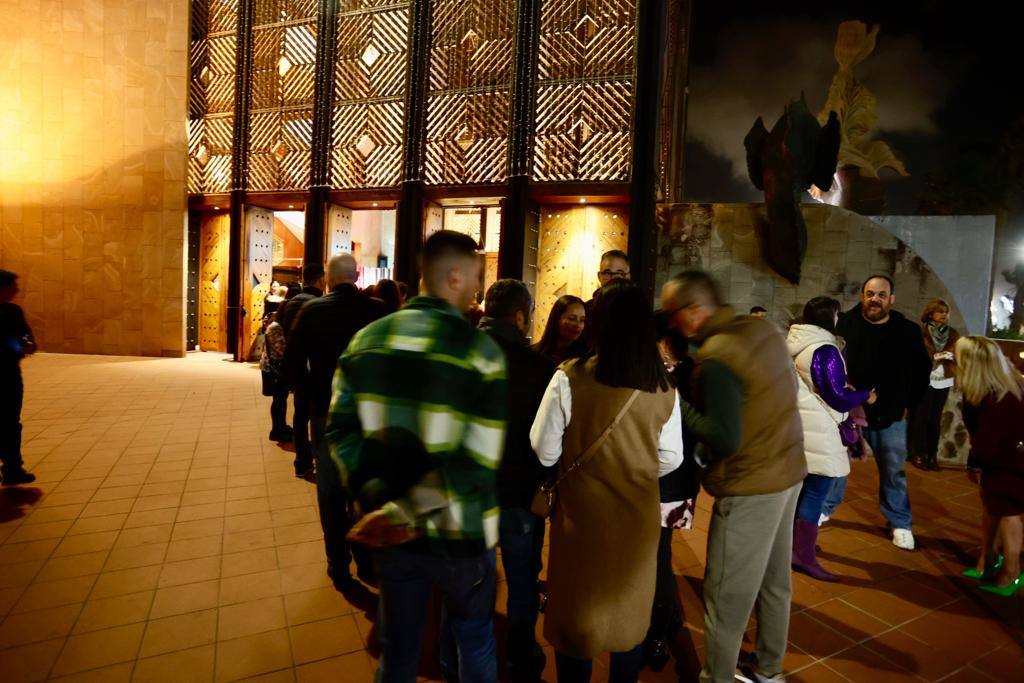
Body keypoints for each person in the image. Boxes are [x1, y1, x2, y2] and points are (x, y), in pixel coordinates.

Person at [327, 231, 507, 682]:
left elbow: (340, 429)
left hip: (394, 535)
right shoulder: (480, 354)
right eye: (476, 278)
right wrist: (410, 510)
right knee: (475, 640)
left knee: (399, 652)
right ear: (453, 276)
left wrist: (382, 503)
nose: (478, 289)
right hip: (462, 535)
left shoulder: (367, 341)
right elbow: (476, 461)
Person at [531, 280, 682, 683]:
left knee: (576, 618)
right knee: (629, 617)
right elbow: (671, 458)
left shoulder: (570, 377)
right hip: (636, 519)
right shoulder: (664, 385)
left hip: (581, 519)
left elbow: (544, 451)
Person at [660, 271, 805, 683]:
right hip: (788, 471)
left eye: (675, 314)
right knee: (775, 581)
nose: (673, 324)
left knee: (726, 595)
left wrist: (676, 404)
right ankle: (769, 668)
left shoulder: (718, 358)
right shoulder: (761, 330)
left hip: (752, 485)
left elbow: (723, 435)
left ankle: (717, 677)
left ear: (695, 309)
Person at [285, 254, 385, 589]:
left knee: (330, 492)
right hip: (368, 415)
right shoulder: (377, 310)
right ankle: (368, 562)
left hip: (327, 412)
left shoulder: (313, 312)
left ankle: (338, 564)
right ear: (356, 276)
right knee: (366, 489)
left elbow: (292, 366)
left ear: (327, 278)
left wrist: (311, 394)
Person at [478, 279, 555, 681]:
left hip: (470, 491)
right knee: (523, 577)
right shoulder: (539, 367)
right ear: (520, 315)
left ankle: (467, 653)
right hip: (520, 492)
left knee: (474, 575)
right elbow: (549, 440)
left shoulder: (460, 356)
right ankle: (520, 656)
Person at [822, 275, 931, 551]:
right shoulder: (845, 324)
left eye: (882, 295)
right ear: (862, 295)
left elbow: (921, 372)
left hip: (888, 415)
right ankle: (825, 508)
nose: (875, 299)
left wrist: (909, 405)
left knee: (894, 470)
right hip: (848, 411)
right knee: (837, 466)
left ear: (891, 299)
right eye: (870, 293)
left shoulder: (907, 331)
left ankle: (900, 522)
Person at [786, 297, 874, 582]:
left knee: (803, 491)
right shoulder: (824, 348)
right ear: (830, 316)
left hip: (802, 427)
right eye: (838, 313)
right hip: (820, 431)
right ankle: (803, 555)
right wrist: (865, 395)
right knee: (815, 492)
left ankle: (797, 545)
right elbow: (836, 394)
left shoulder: (796, 343)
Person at [956, 336, 1024, 597]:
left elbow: (989, 439)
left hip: (1009, 464)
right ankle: (988, 559)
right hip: (1003, 462)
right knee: (994, 507)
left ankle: (1011, 571)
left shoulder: (1000, 396)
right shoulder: (994, 387)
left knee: (1009, 511)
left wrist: (975, 463)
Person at [281, 264, 326, 475]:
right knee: (315, 416)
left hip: (298, 369)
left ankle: (302, 461)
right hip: (314, 369)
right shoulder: (318, 304)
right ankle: (317, 458)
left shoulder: (290, 303)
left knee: (299, 417)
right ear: (320, 280)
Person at [910, 299, 960, 471]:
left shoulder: (952, 334)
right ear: (931, 313)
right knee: (921, 417)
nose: (944, 315)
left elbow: (956, 353)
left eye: (946, 311)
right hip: (925, 379)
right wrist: (940, 356)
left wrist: (944, 355)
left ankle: (932, 455)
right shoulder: (921, 332)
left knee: (935, 419)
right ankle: (918, 454)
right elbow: (920, 355)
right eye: (940, 311)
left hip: (944, 378)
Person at [0, 270, 36, 486]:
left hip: (10, 374)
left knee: (12, 422)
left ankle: (13, 468)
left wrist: (28, 344)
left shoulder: (14, 311)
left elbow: (26, 335)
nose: (17, 290)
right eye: (12, 286)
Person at [260, 306, 292, 442]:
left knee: (281, 399)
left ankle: (281, 426)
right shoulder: (276, 327)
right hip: (274, 368)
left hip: (274, 367)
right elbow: (280, 349)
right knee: (278, 400)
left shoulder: (277, 325)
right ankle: (276, 431)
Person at [533, 295, 587, 364]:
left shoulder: (585, 358)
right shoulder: (534, 353)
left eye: (582, 320)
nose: (577, 325)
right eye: (571, 318)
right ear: (556, 318)